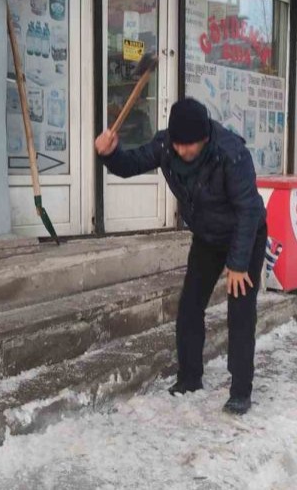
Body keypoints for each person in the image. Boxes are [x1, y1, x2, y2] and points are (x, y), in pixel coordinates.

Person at [95, 98, 266, 415]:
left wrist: (238, 263)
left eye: (191, 145)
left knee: (240, 312)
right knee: (189, 305)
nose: (184, 151)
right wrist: (110, 154)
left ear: (205, 138)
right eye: (179, 144)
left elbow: (249, 209)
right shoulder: (165, 146)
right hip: (206, 237)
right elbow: (131, 164)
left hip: (245, 236)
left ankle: (240, 390)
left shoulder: (231, 154)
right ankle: (190, 378)